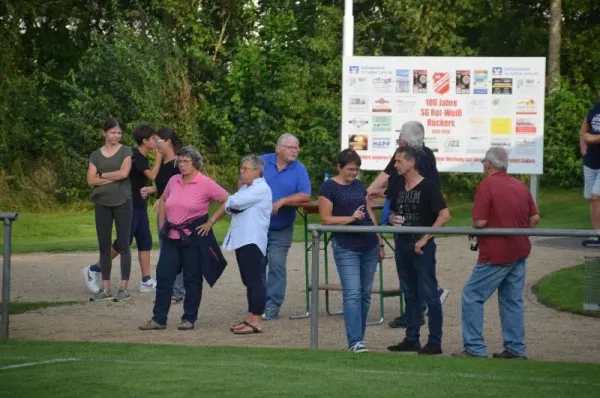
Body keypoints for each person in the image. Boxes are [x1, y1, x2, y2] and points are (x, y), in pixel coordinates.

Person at [453, 147, 539, 359]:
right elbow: (534, 218)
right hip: (519, 250)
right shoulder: (519, 185)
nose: (483, 165)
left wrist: (475, 228)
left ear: (489, 164)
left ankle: (474, 348)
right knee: (512, 300)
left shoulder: (487, 185)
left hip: (496, 253)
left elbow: (480, 222)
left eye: (484, 162)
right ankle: (515, 348)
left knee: (471, 295)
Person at [366, 121, 449, 329]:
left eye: (400, 139)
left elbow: (388, 180)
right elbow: (397, 186)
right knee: (413, 271)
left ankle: (421, 318)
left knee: (414, 274)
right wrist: (382, 194)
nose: (396, 163)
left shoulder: (409, 158)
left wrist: (367, 192)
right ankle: (415, 321)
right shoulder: (424, 156)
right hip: (416, 220)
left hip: (417, 222)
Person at [139, 146, 229, 331]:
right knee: (164, 277)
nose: (181, 164)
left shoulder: (206, 183)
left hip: (193, 239)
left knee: (192, 279)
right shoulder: (173, 180)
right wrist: (162, 224)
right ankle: (158, 319)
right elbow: (163, 199)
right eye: (180, 161)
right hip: (171, 237)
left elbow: (228, 199)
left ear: (195, 163)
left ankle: (189, 318)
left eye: (186, 161)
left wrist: (211, 221)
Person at [84, 125, 162, 299]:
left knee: (145, 239)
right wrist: (159, 157)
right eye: (154, 140)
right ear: (145, 141)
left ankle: (146, 280)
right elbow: (153, 175)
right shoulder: (137, 156)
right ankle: (95, 269)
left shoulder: (137, 155)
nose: (156, 142)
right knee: (123, 242)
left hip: (139, 203)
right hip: (129, 202)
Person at [318, 149, 385, 353]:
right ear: (339, 167)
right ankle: (354, 341)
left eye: (356, 169)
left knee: (365, 294)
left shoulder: (358, 185)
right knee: (353, 293)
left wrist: (379, 240)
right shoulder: (328, 188)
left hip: (369, 244)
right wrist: (350, 219)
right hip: (346, 245)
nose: (353, 173)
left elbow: (368, 211)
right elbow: (325, 219)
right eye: (350, 169)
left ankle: (359, 338)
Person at [386, 145, 451, 355]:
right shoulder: (397, 186)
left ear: (411, 163)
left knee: (430, 293)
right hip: (402, 244)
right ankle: (411, 338)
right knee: (410, 293)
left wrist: (425, 239)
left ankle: (434, 341)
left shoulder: (428, 187)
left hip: (421, 247)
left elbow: (444, 215)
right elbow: (393, 212)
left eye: (398, 161)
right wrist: (391, 219)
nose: (395, 164)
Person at [260, 133, 312, 320]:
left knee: (276, 263)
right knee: (256, 264)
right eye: (291, 147)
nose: (295, 151)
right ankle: (257, 303)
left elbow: (305, 195)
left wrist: (284, 200)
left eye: (297, 148)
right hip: (257, 226)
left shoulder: (299, 169)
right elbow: (243, 181)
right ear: (278, 148)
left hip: (281, 226)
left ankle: (273, 305)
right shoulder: (261, 162)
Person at [222, 155, 272, 335]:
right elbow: (230, 204)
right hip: (242, 239)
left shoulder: (261, 189)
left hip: (253, 240)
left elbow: (233, 202)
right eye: (241, 168)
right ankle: (250, 316)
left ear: (256, 171)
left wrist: (231, 204)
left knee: (255, 281)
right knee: (249, 281)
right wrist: (231, 204)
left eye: (245, 169)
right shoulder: (246, 188)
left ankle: (257, 321)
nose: (241, 172)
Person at [86, 118, 133, 302]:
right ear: (105, 133)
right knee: (104, 246)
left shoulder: (126, 151)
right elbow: (90, 181)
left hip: (122, 201)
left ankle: (123, 287)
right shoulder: (95, 155)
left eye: (119, 132)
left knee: (123, 244)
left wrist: (103, 175)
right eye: (113, 132)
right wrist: (114, 177)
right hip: (102, 202)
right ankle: (105, 288)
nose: (116, 136)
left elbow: (124, 174)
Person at [141, 127, 186, 303]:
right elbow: (164, 186)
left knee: (175, 251)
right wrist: (152, 190)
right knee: (167, 250)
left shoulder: (179, 164)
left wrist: (163, 198)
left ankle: (178, 291)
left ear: (168, 142)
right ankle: (170, 289)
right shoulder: (165, 163)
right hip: (163, 214)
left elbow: (182, 188)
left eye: (158, 141)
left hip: (175, 214)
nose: (156, 145)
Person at [579, 92, 600, 246]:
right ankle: (595, 234)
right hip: (591, 161)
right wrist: (583, 145)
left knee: (595, 196)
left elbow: (590, 135)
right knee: (592, 199)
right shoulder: (595, 109)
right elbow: (584, 126)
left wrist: (593, 138)